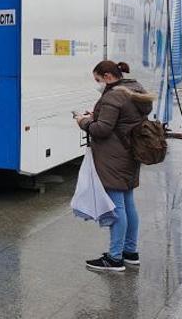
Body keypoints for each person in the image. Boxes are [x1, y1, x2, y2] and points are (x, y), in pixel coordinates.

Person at [75, 60, 154, 272]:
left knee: (117, 207)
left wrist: (83, 121)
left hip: (113, 157)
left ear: (108, 76)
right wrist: (97, 116)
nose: (98, 84)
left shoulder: (113, 96)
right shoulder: (134, 89)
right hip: (129, 154)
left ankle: (115, 258)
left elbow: (102, 130)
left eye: (98, 80)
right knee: (128, 204)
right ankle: (130, 252)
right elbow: (122, 121)